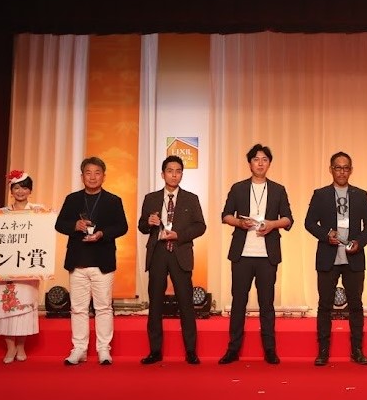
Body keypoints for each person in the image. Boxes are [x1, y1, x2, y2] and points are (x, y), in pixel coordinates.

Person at [218, 143, 293, 365]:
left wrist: (272, 224)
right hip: (242, 255)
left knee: (267, 304)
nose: (260, 163)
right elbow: (225, 215)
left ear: (269, 164)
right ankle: (233, 349)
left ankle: (270, 349)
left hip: (267, 256)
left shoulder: (278, 189)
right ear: (249, 163)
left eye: (264, 160)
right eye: (256, 159)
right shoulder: (238, 188)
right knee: (238, 302)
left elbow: (288, 219)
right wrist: (240, 223)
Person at [54, 156, 129, 366]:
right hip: (77, 260)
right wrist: (74, 225)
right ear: (82, 176)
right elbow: (59, 224)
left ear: (104, 176)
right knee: (78, 308)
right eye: (88, 173)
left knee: (103, 307)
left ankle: (104, 349)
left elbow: (122, 227)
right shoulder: (72, 199)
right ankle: (79, 349)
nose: (93, 177)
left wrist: (102, 234)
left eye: (97, 173)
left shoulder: (113, 200)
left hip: (102, 261)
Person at [303, 151, 367, 366]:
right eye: (338, 167)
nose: (342, 172)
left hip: (354, 258)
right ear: (331, 169)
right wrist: (326, 235)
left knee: (356, 306)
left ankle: (357, 350)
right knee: (324, 305)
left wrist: (359, 242)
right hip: (328, 257)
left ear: (351, 170)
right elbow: (309, 223)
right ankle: (323, 351)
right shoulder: (320, 194)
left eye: (345, 168)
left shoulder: (361, 195)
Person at [138, 156, 207, 366]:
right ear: (163, 174)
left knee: (186, 303)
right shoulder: (151, 198)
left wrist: (179, 235)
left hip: (180, 253)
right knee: (155, 304)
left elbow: (200, 226)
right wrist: (148, 222)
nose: (174, 175)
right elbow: (141, 226)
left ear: (182, 175)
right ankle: (155, 351)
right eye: (170, 171)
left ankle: (191, 351)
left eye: (178, 171)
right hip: (158, 253)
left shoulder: (191, 199)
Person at [0, 170, 47, 363]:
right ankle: (10, 347)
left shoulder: (39, 211)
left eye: (24, 188)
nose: (20, 191)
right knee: (5, 306)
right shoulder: (1, 213)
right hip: (6, 265)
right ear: (11, 190)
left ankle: (21, 346)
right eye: (16, 188)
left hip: (27, 266)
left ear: (30, 190)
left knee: (24, 308)